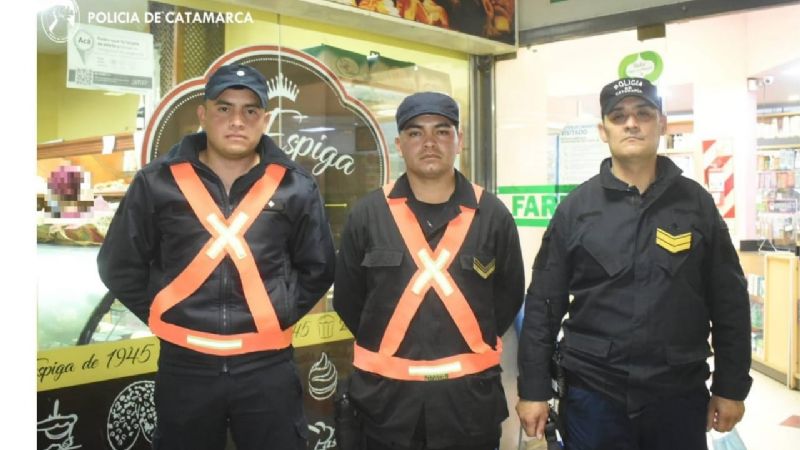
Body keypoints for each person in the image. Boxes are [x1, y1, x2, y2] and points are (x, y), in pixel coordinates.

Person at [97, 64, 336, 450]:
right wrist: (163, 310)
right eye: (224, 108)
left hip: (268, 366)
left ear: (265, 120)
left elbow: (319, 267)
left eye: (250, 111)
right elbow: (117, 265)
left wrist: (280, 311)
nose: (237, 121)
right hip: (184, 366)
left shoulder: (296, 186)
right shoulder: (157, 182)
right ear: (203, 114)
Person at [516, 77, 752, 450]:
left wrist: (731, 386)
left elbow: (731, 303)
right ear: (603, 129)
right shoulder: (576, 209)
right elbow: (543, 305)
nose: (631, 123)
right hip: (594, 395)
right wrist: (533, 391)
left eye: (643, 113)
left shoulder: (696, 205)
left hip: (678, 395)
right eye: (618, 115)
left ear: (662, 124)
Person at [333, 91, 525, 450]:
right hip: (385, 408)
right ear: (399, 144)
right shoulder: (368, 215)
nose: (429, 143)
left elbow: (509, 296)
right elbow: (349, 299)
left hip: (468, 406)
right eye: (415, 133)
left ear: (459, 141)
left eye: (442, 131)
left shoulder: (493, 215)